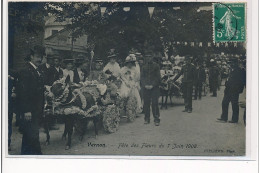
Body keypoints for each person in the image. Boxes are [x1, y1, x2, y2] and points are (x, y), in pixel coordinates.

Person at [16, 45, 45, 154]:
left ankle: (25, 157)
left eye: (41, 57)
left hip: (36, 110)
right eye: (37, 56)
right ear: (31, 56)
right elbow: (23, 92)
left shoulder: (37, 70)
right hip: (30, 111)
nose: (40, 59)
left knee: (29, 137)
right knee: (32, 137)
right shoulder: (26, 70)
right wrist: (26, 110)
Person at [217, 57, 245, 123]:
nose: (231, 64)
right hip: (228, 90)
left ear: (236, 63)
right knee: (224, 103)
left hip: (234, 90)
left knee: (234, 105)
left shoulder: (240, 71)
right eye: (230, 63)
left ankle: (234, 119)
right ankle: (224, 117)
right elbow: (229, 79)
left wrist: (239, 90)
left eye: (232, 63)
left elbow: (241, 82)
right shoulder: (232, 70)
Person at [141, 50, 161, 126]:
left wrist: (152, 85)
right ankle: (147, 118)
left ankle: (156, 119)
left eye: (150, 57)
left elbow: (158, 78)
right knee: (146, 103)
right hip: (145, 88)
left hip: (154, 88)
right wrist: (145, 85)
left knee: (155, 103)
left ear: (152, 57)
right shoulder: (144, 67)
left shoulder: (156, 66)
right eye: (147, 57)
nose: (148, 58)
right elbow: (142, 78)